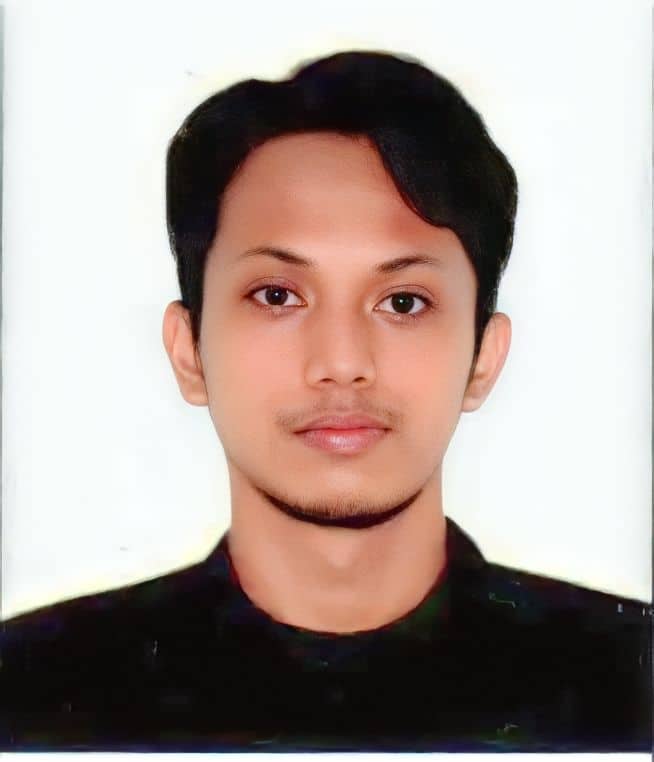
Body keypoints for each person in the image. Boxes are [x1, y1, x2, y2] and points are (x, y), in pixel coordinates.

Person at [1, 50, 651, 752]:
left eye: (403, 302)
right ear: (189, 351)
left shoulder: (629, 681)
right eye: (277, 295)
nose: (342, 364)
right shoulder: (30, 690)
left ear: (482, 359)